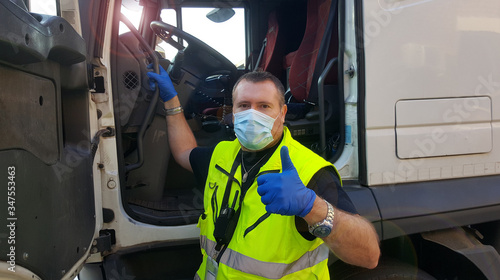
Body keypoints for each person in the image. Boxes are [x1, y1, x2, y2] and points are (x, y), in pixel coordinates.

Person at [148, 67, 380, 279]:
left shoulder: (309, 172)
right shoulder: (222, 154)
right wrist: (172, 101)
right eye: (244, 105)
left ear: (283, 113)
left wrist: (312, 207)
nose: (252, 115)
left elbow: (368, 256)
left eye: (264, 106)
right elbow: (184, 152)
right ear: (233, 112)